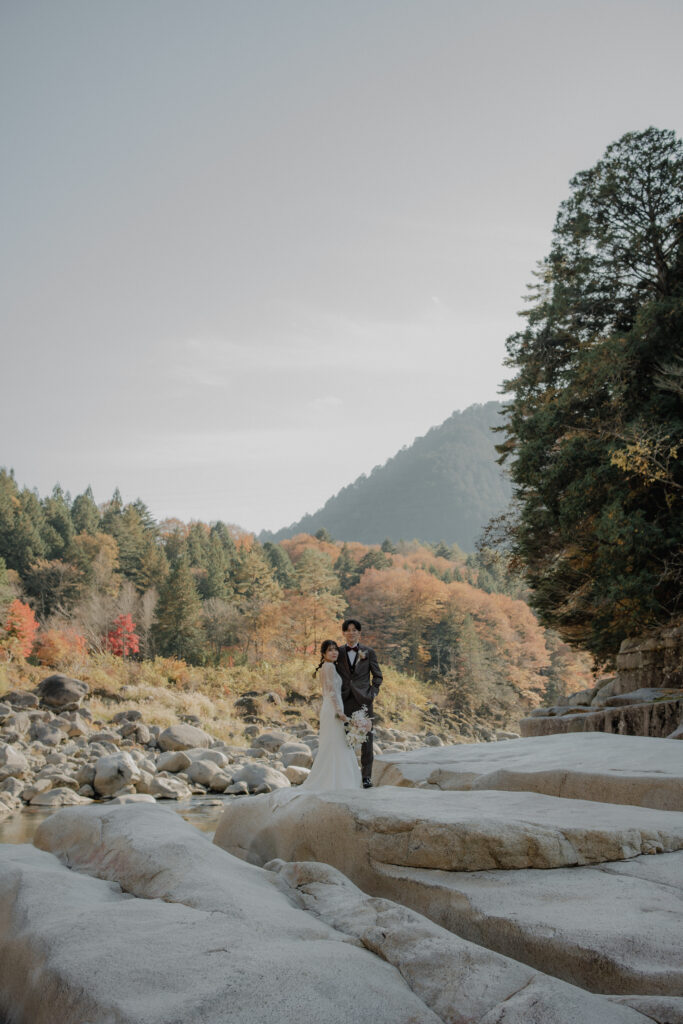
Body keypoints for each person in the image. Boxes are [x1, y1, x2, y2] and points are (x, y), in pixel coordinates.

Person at [301, 640, 361, 792]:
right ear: (323, 654)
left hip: (331, 707)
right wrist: (339, 712)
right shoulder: (328, 666)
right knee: (336, 743)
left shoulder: (329, 666)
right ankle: (336, 782)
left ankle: (335, 780)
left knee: (336, 743)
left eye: (335, 649)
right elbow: (331, 691)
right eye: (330, 650)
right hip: (333, 708)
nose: (334, 652)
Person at [336, 618, 382, 788]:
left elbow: (378, 676)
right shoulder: (338, 652)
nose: (351, 632)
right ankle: (345, 774)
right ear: (343, 633)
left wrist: (372, 693)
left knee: (367, 740)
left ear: (359, 633)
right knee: (343, 737)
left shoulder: (369, 652)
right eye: (348, 630)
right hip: (345, 699)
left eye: (354, 630)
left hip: (364, 700)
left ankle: (366, 777)